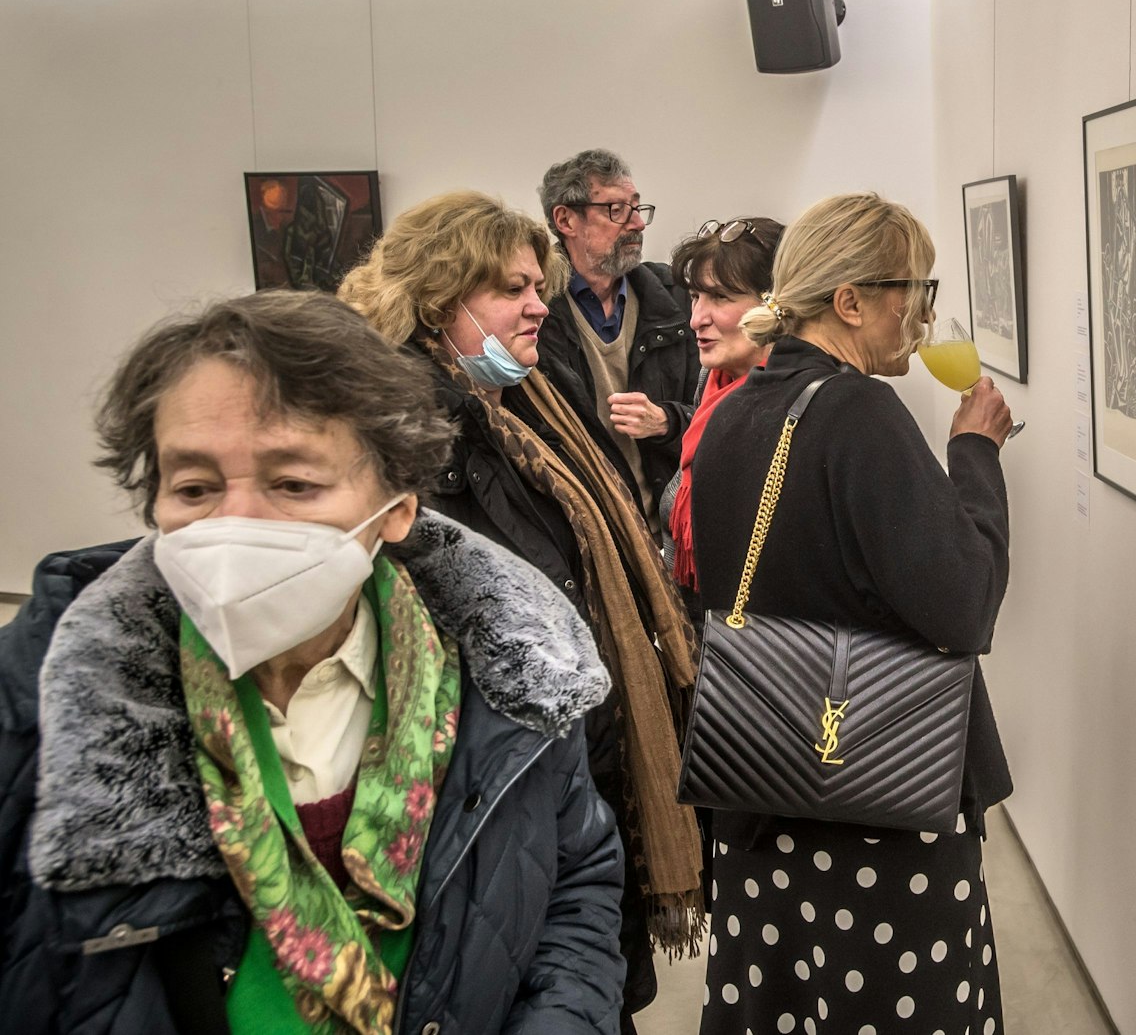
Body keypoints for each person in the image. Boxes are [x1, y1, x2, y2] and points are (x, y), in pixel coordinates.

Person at [0, 291, 624, 1034]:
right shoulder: (46, 701)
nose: (234, 524)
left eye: (293, 483)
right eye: (194, 487)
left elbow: (574, 884)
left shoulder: (514, 671)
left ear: (396, 506)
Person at [338, 192, 705, 1032]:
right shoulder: (415, 444)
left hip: (569, 781)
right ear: (440, 300)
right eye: (512, 288)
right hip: (492, 808)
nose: (541, 303)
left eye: (538, 283)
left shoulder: (522, 407)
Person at [689, 192, 1017, 1035]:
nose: (923, 316)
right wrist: (975, 454)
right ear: (851, 302)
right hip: (877, 805)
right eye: (916, 291)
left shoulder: (732, 415)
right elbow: (965, 605)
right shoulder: (860, 415)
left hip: (763, 793)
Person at [536, 149, 701, 543]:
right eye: (616, 210)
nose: (638, 223)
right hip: (585, 539)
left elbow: (722, 416)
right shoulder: (535, 312)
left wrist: (666, 421)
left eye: (637, 207)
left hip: (669, 533)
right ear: (565, 220)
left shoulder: (677, 299)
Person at [661, 215, 785, 600]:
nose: (697, 318)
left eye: (721, 297)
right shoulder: (715, 380)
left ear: (775, 303)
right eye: (696, 297)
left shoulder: (795, 407)